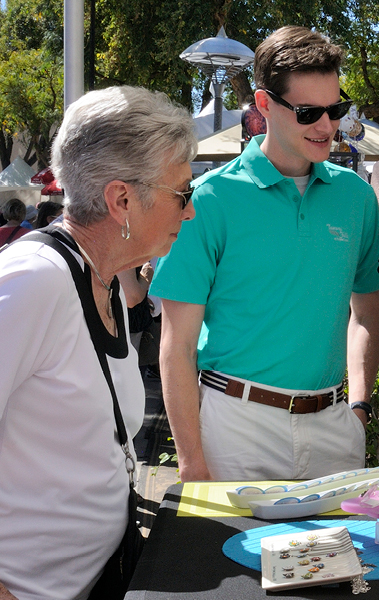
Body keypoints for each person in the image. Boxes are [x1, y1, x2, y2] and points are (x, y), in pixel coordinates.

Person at [151, 26, 379, 482]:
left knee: (338, 556)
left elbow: (366, 315)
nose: (326, 126)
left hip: (336, 427)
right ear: (263, 105)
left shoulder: (358, 198)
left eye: (335, 109)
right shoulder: (207, 200)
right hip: (236, 429)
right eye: (307, 112)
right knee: (229, 556)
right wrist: (191, 461)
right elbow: (175, 346)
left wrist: (358, 409)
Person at [0, 86, 197, 600]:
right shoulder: (32, 280)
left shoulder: (99, 278)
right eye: (183, 194)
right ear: (121, 199)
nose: (190, 212)